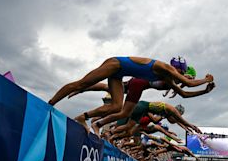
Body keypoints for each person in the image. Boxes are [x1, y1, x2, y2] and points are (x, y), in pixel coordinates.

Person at [48, 56, 214, 132]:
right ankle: (50, 104)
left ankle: (83, 118)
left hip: (120, 74)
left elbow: (184, 93)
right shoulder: (166, 68)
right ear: (179, 69)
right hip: (115, 64)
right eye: (183, 74)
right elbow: (188, 83)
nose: (181, 78)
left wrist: (204, 91)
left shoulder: (167, 78)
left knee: (116, 106)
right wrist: (205, 80)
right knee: (82, 83)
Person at [108, 100, 201, 142]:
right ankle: (109, 132)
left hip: (141, 110)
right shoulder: (170, 110)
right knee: (125, 126)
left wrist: (190, 131)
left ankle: (111, 136)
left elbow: (180, 123)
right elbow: (182, 121)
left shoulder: (169, 114)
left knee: (128, 132)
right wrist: (192, 126)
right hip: (141, 107)